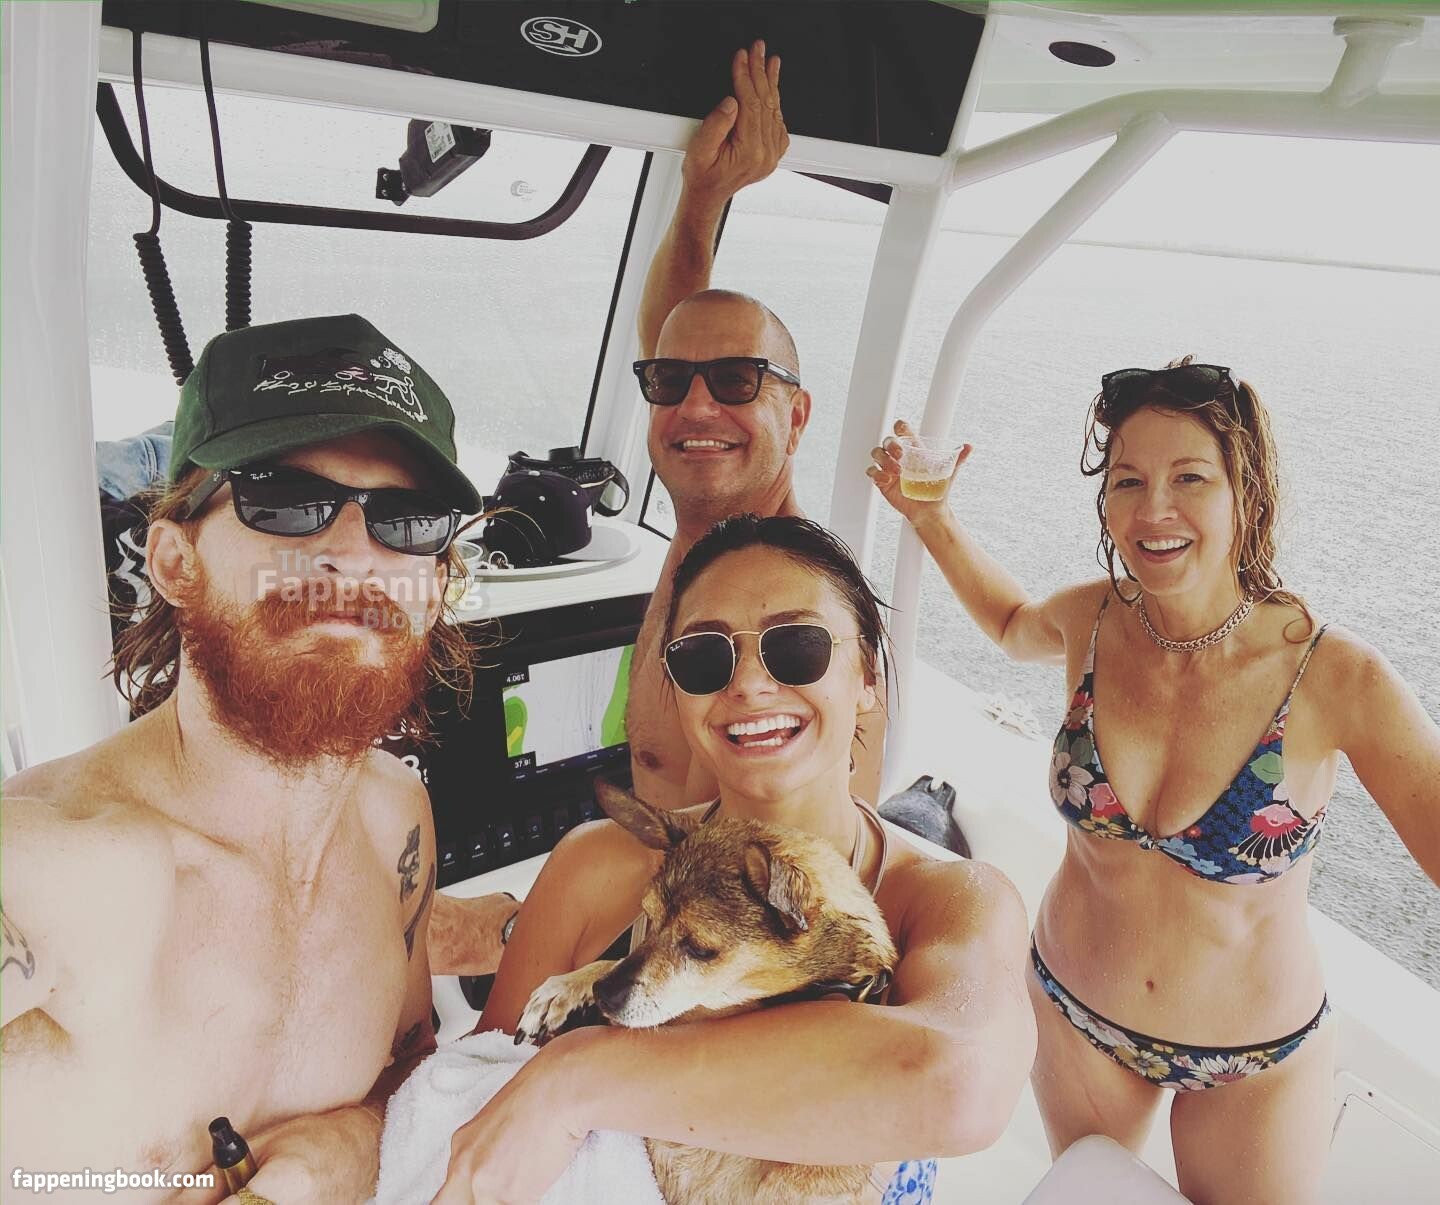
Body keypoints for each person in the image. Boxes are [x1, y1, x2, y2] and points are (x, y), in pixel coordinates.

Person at [869, 361, 1440, 1204]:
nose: (1153, 509)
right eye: (1128, 480)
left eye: (1190, 478)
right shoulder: (1094, 618)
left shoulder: (1333, 674)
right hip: (1077, 1014)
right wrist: (931, 515)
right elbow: (1011, 623)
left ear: (1247, 492)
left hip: (1254, 1060)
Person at [0, 314, 499, 1202]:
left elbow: (409, 1065)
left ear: (434, 588)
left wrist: (352, 1139)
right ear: (174, 560)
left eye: (409, 520)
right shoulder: (56, 870)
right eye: (286, 501)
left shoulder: (396, 824)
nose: (353, 556)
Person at [435, 515, 1035, 1203]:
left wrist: (574, 1077)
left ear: (867, 674)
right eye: (704, 657)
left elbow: (959, 1083)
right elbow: (479, 1087)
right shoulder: (596, 865)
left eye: (798, 646)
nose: (748, 683)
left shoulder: (952, 899)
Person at [628, 41, 886, 809]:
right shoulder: (710, 548)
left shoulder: (777, 614)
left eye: (738, 380)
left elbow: (772, 863)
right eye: (670, 383)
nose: (697, 407)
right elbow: (677, 332)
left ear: (796, 417)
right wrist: (703, 196)